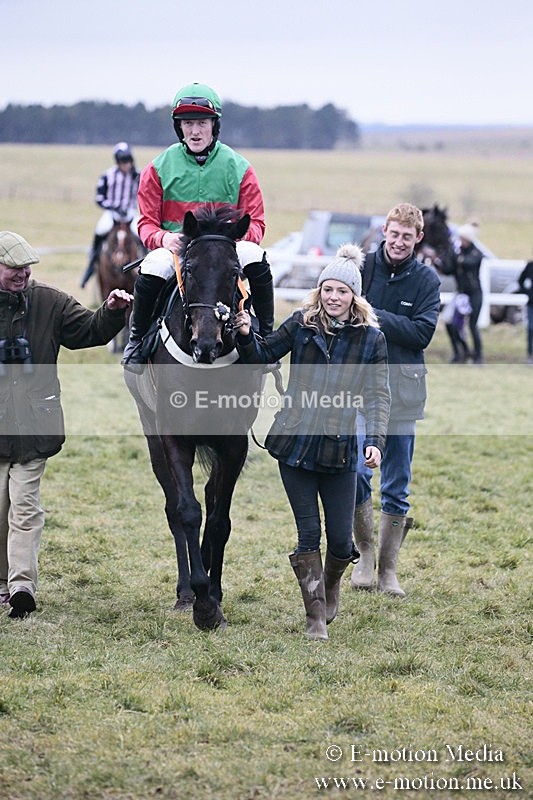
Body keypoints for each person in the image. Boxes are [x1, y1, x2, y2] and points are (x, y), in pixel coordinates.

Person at [235, 244, 391, 640]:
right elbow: (263, 354)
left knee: (340, 541)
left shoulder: (371, 339)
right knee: (308, 534)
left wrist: (374, 440)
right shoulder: (301, 325)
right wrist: (245, 335)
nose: (333, 298)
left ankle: (331, 585)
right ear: (319, 291)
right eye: (328, 290)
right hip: (295, 445)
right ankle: (315, 617)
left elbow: (378, 396)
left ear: (354, 296)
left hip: (340, 450)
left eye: (342, 291)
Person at [0, 231, 132, 619]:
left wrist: (111, 311)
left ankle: (21, 586)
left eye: (27, 268)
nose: (23, 274)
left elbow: (88, 331)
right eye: (14, 268)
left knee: (25, 509)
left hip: (33, 429)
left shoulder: (50, 302)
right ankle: (2, 582)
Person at [121, 82, 274, 373]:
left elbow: (257, 223)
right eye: (188, 123)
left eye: (202, 123)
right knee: (153, 266)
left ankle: (266, 337)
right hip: (178, 248)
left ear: (214, 125)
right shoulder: (157, 168)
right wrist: (163, 238)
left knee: (255, 255)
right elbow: (146, 224)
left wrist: (234, 239)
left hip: (226, 247)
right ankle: (137, 341)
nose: (194, 131)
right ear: (178, 127)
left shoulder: (240, 168)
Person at [351, 203, 441, 598]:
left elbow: (422, 333)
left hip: (403, 392)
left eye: (408, 236)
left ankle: (388, 570)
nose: (400, 241)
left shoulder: (427, 280)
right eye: (394, 233)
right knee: (356, 472)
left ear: (418, 238)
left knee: (397, 484)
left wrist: (370, 313)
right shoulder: (362, 268)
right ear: (384, 231)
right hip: (359, 390)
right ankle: (365, 555)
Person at [80, 142, 141, 288]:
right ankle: (92, 263)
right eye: (122, 162)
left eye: (127, 161)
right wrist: (113, 206)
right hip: (112, 214)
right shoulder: (107, 175)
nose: (125, 165)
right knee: (100, 230)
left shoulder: (138, 175)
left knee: (142, 234)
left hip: (130, 214)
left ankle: (145, 264)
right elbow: (99, 198)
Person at [441, 223, 485, 364]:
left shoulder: (476, 253)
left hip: (474, 294)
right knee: (450, 322)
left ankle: (478, 356)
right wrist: (438, 260)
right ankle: (460, 351)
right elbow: (449, 269)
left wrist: (453, 253)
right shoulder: (458, 252)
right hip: (460, 294)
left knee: (472, 325)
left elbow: (467, 263)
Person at [517, 258, 533, 364]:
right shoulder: (530, 266)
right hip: (531, 303)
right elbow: (520, 280)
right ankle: (530, 354)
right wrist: (527, 292)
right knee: (531, 328)